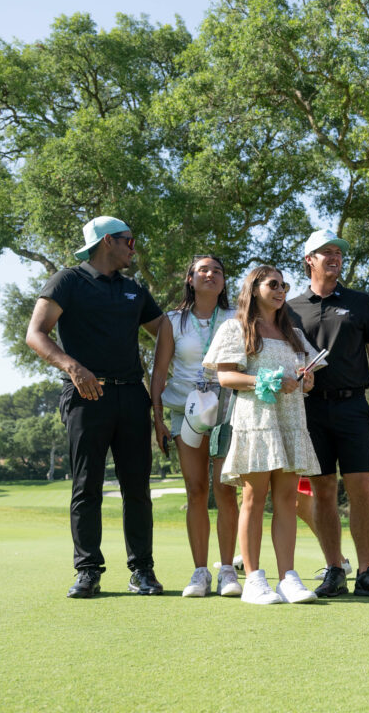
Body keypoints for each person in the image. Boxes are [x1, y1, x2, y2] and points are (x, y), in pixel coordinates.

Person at [26, 216, 165, 598]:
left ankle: (142, 571)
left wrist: (158, 388)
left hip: (131, 396)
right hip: (86, 397)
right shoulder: (67, 281)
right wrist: (72, 367)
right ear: (107, 242)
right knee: (86, 487)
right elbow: (35, 334)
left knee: (137, 488)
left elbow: (165, 331)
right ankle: (88, 571)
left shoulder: (134, 289)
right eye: (129, 241)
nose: (134, 248)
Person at [287, 229, 369, 600]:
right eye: (325, 252)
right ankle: (335, 568)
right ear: (309, 261)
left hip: (353, 406)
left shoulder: (361, 302)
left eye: (338, 252)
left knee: (361, 488)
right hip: (309, 408)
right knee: (322, 490)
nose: (334, 258)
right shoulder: (289, 308)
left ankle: (367, 571)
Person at [203, 265, 320, 605]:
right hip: (256, 420)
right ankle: (254, 579)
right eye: (273, 284)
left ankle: (288, 578)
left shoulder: (292, 332)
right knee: (254, 498)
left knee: (287, 499)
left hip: (290, 420)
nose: (281, 290)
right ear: (254, 289)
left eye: (284, 285)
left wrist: (306, 380)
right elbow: (226, 377)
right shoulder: (235, 327)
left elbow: (305, 371)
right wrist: (265, 381)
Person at [150, 255, 242, 598]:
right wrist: (157, 418)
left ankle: (228, 572)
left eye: (218, 270)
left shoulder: (237, 316)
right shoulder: (172, 321)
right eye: (203, 270)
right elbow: (159, 373)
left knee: (225, 490)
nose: (211, 274)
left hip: (229, 410)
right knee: (196, 492)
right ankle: (200, 572)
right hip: (185, 411)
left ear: (223, 281)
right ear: (190, 278)